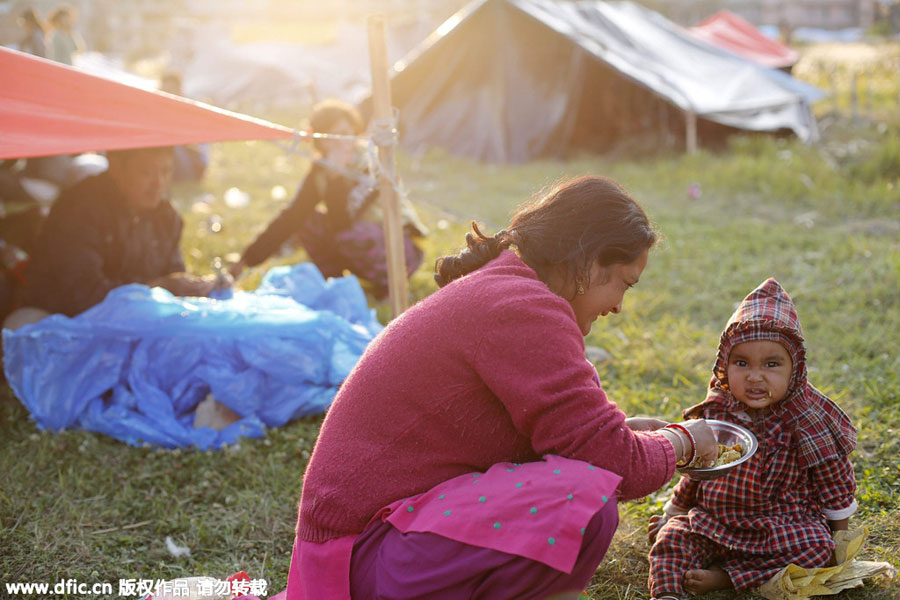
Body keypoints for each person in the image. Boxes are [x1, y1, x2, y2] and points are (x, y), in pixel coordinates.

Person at [285, 175, 719, 599]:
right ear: (590, 261)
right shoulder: (522, 307)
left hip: (360, 546)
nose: (620, 306)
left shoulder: (509, 290)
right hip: (364, 557)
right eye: (624, 282)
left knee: (584, 481)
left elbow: (580, 438)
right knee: (582, 498)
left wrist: (624, 433)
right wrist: (681, 441)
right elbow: (612, 461)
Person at [646, 278, 857, 600]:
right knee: (670, 540)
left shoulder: (807, 424)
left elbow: (834, 481)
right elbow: (696, 471)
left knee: (817, 551)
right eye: (741, 363)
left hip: (781, 523)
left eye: (771, 365)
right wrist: (672, 513)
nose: (755, 376)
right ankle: (669, 594)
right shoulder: (716, 416)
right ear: (724, 367)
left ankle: (727, 578)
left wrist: (839, 539)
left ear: (795, 370)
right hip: (714, 521)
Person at [229, 99, 426, 300]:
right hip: (359, 245)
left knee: (351, 232)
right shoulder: (322, 172)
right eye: (331, 137)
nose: (340, 143)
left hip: (401, 252)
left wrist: (336, 177)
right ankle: (336, 282)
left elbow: (342, 223)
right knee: (304, 220)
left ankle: (386, 285)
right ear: (321, 141)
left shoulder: (371, 162)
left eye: (345, 133)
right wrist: (248, 259)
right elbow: (291, 217)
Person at [7, 146, 222, 328]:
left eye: (166, 172)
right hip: (66, 317)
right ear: (116, 166)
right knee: (24, 328)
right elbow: (85, 297)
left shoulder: (165, 217)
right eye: (147, 173)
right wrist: (158, 287)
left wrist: (198, 288)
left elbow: (173, 276)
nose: (158, 184)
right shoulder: (80, 211)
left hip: (135, 317)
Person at [158, 71, 210, 182]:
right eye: (163, 91)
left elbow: (198, 150)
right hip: (175, 164)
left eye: (170, 91)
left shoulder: (189, 113)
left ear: (179, 91)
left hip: (191, 167)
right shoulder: (159, 112)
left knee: (170, 144)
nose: (166, 95)